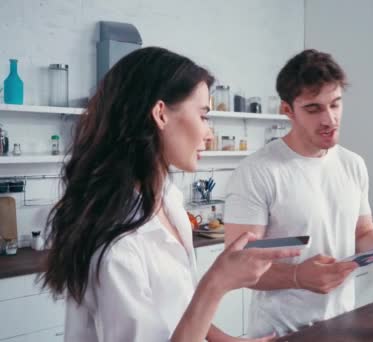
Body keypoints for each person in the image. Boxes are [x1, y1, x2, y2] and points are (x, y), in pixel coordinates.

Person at [42, 47, 300, 342]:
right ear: (161, 114)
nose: (209, 133)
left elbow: (177, 314)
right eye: (203, 116)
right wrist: (216, 283)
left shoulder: (169, 201)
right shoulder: (118, 246)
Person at [223, 49, 373, 337]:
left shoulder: (353, 164)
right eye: (314, 109)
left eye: (336, 104)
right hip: (280, 333)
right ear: (287, 110)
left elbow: (362, 233)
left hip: (341, 325)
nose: (330, 119)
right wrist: (298, 276)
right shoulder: (258, 171)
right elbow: (239, 264)